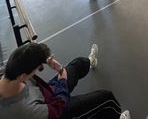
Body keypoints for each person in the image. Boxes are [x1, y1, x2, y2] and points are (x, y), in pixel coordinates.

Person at [0, 42, 131, 119]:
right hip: (57, 109)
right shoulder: (25, 110)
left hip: (47, 92)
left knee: (78, 64)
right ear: (22, 76)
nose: (39, 70)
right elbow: (58, 109)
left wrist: (45, 59)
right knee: (106, 98)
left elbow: (22, 58)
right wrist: (62, 79)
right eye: (37, 69)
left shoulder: (9, 72)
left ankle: (91, 61)